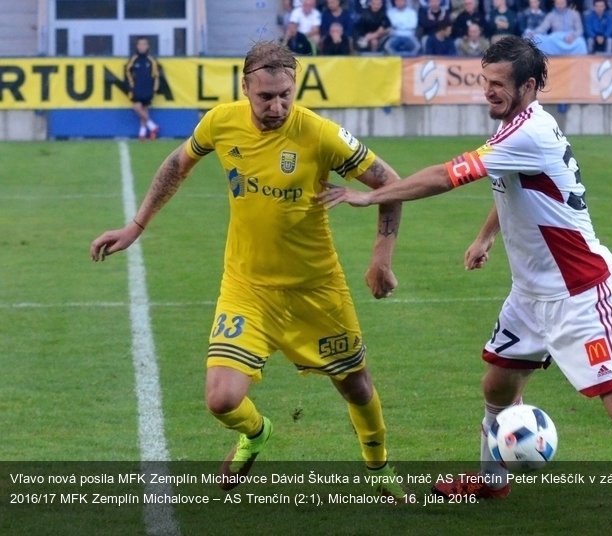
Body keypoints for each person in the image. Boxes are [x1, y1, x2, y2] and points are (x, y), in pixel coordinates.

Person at [319, 35, 612, 514]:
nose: (489, 92)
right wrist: (487, 235)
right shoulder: (516, 130)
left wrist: (373, 195)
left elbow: (446, 175)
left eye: (499, 84)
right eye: (485, 82)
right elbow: (516, 187)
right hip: (530, 294)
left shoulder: (528, 134)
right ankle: (492, 481)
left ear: (532, 85)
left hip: (580, 292)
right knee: (497, 386)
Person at [90, 40, 407, 499]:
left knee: (355, 386)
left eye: (285, 95)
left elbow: (390, 183)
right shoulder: (221, 121)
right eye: (266, 97)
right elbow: (177, 165)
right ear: (245, 87)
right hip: (247, 287)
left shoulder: (321, 135)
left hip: (315, 289)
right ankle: (257, 433)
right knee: (221, 399)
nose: (277, 106)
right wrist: (136, 225)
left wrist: (381, 259)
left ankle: (379, 470)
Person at [125, 37, 160, 140]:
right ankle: (153, 126)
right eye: (140, 44)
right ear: (137, 46)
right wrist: (131, 87)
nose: (142, 47)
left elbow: (156, 75)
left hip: (148, 89)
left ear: (147, 46)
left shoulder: (151, 60)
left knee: (145, 109)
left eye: (144, 44)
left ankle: (143, 132)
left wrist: (155, 89)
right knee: (136, 107)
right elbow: (127, 72)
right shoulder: (134, 59)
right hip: (137, 89)